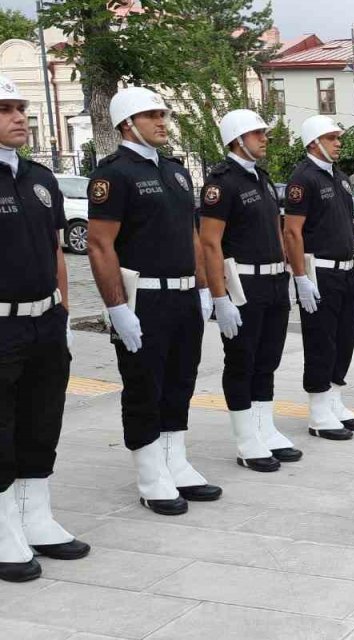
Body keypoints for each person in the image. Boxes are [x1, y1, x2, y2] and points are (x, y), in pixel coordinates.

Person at [87, 87, 221, 516]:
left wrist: (203, 288)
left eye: (163, 114)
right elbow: (99, 244)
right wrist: (116, 308)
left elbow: (192, 236)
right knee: (145, 386)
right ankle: (150, 473)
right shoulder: (115, 175)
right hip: (143, 298)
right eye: (151, 115)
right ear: (128, 124)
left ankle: (174, 460)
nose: (162, 122)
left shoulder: (176, 172)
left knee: (181, 379)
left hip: (183, 295)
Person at [0, 75, 90, 583]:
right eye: (5, 108)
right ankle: (3, 526)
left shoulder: (40, 178)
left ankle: (36, 516)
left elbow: (57, 251)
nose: (18, 116)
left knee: (41, 420)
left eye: (21, 106)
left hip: (45, 320)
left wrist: (64, 314)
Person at [198, 109, 302, 473]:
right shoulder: (221, 183)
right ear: (237, 139)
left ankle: (264, 428)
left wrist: (288, 270)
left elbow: (276, 227)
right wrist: (219, 297)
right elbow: (209, 243)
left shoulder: (261, 177)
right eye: (257, 133)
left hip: (273, 280)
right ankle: (246, 438)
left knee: (267, 360)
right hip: (243, 283)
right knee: (242, 361)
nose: (264, 138)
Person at [283, 115, 354, 441]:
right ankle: (318, 408)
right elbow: (292, 232)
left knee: (344, 338)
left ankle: (334, 398)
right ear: (315, 142)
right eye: (332, 138)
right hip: (320, 270)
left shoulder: (340, 178)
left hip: (346, 271)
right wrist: (301, 278)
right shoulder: (303, 179)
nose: (338, 143)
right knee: (321, 340)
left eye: (337, 138)